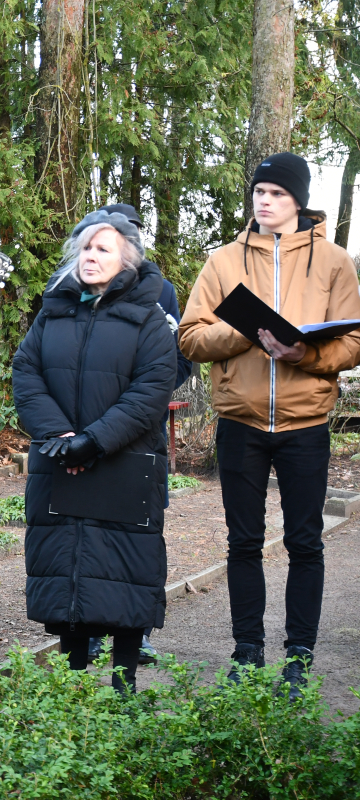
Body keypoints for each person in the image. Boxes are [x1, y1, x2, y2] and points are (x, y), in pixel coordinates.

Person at [179, 152, 360, 696]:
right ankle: (246, 650)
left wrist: (303, 353)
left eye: (277, 193)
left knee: (306, 542)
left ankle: (299, 654)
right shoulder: (222, 262)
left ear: (298, 201)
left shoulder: (334, 262)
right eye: (259, 191)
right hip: (242, 421)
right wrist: (246, 333)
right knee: (243, 541)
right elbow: (189, 337)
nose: (265, 200)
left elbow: (353, 341)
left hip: (306, 422)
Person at [12, 210, 177, 694]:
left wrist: (95, 441)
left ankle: (124, 689)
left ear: (127, 260)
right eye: (85, 247)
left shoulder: (148, 317)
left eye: (103, 248)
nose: (91, 256)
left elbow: (151, 391)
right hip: (63, 462)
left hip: (125, 466)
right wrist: (62, 438)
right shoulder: (54, 308)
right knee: (69, 569)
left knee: (125, 572)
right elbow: (26, 372)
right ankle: (74, 689)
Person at [89, 203, 194, 665]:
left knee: (141, 537)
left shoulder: (163, 292)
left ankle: (137, 631)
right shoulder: (74, 290)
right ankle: (89, 628)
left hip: (140, 437)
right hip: (89, 432)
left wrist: (140, 398)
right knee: (89, 533)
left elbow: (180, 360)